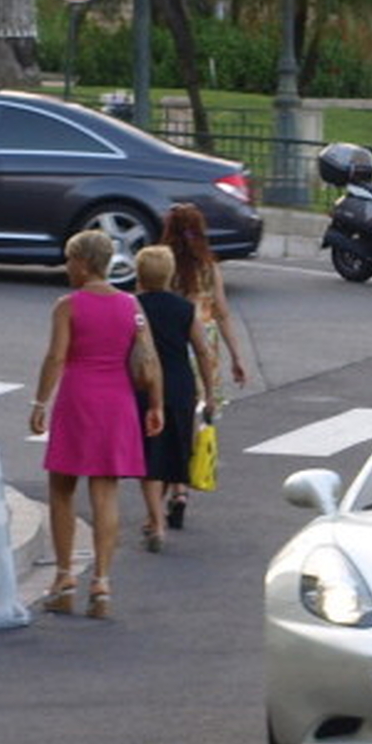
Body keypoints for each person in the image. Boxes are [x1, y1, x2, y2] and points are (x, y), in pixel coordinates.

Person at [29, 228, 158, 620]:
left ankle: (65, 577)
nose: (67, 267)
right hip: (117, 402)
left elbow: (56, 357)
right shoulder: (131, 306)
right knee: (106, 492)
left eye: (70, 260)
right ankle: (101, 582)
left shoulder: (68, 305)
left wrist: (39, 402)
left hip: (78, 399)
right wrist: (155, 404)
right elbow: (148, 358)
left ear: (83, 264)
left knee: (62, 489)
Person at [158, 202, 245, 531]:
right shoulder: (209, 266)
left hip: (173, 344)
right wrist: (236, 357)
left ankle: (172, 487)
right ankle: (181, 490)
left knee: (170, 417)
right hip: (205, 344)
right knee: (195, 417)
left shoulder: (162, 262)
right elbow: (222, 312)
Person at [131, 242, 209, 552]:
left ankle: (156, 522)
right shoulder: (185, 309)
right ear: (170, 275)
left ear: (139, 274)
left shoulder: (133, 306)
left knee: (149, 457)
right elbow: (202, 350)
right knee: (173, 452)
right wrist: (209, 392)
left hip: (144, 384)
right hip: (180, 385)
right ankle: (162, 511)